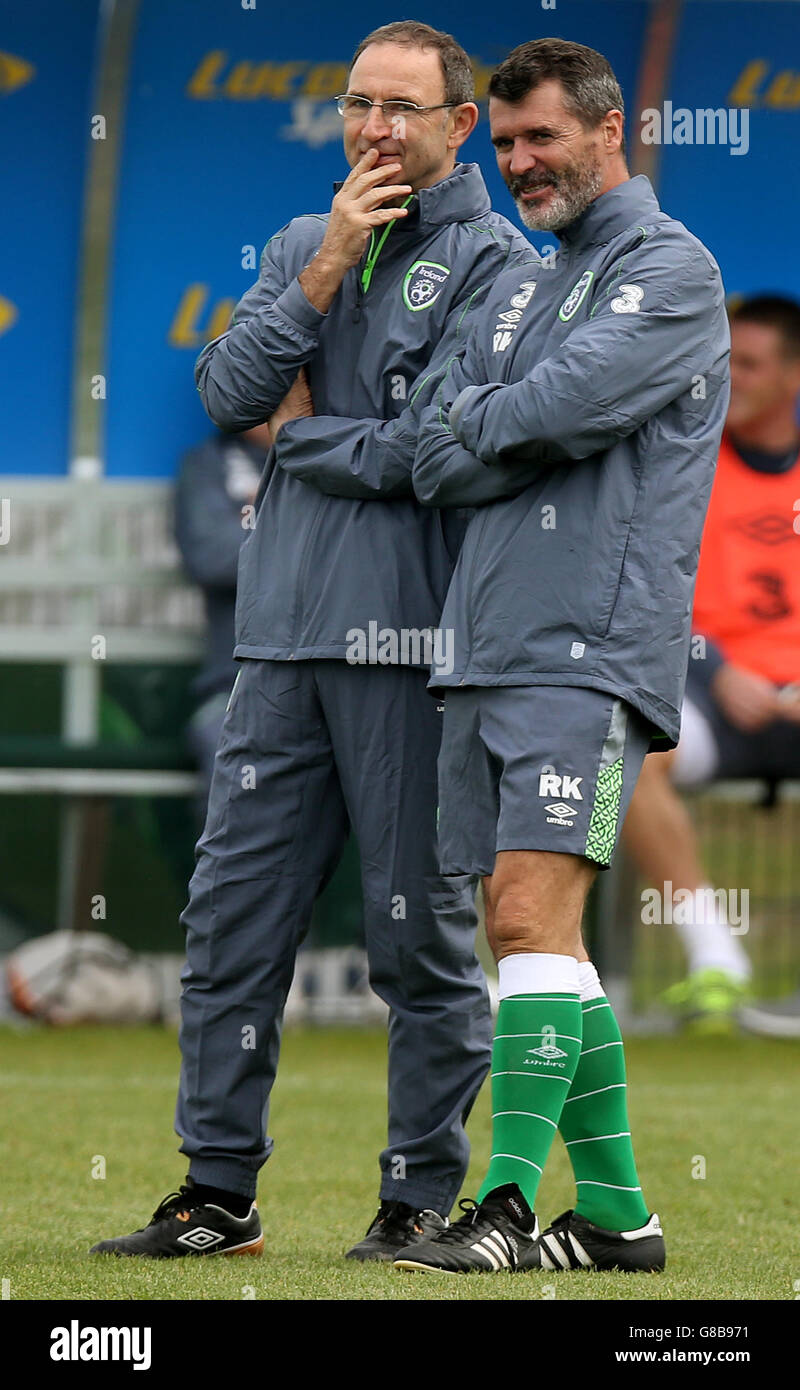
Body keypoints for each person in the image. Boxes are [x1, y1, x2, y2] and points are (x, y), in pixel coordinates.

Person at [90, 20, 535, 1263]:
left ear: (460, 126)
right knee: (231, 922)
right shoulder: (301, 244)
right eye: (355, 104)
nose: (373, 127)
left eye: (400, 106)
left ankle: (412, 1203)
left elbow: (441, 452)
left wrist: (303, 440)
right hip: (275, 651)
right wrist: (326, 266)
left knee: (419, 943)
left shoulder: (499, 265)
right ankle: (216, 1193)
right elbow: (230, 397)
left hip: (409, 649)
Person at [389, 37, 729, 1275]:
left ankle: (504, 1206)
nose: (519, 161)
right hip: (483, 643)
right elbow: (432, 449)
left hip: (587, 648)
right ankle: (621, 1220)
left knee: (527, 912)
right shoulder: (528, 284)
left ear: (606, 132)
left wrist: (497, 421)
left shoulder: (672, 269)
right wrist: (498, 426)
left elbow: (559, 410)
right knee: (528, 935)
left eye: (542, 138)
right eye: (508, 141)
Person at [623, 295, 800, 1033]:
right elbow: (643, 593)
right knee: (620, 751)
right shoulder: (679, 464)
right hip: (712, 696)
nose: (731, 377)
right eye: (724, 360)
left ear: (793, 376)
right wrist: (717, 666)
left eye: (751, 363)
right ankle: (717, 962)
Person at [174, 424, 269, 808]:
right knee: (226, 749)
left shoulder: (342, 457)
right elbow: (213, 558)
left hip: (334, 681)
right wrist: (301, 528)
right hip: (234, 688)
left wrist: (258, 520)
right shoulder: (209, 464)